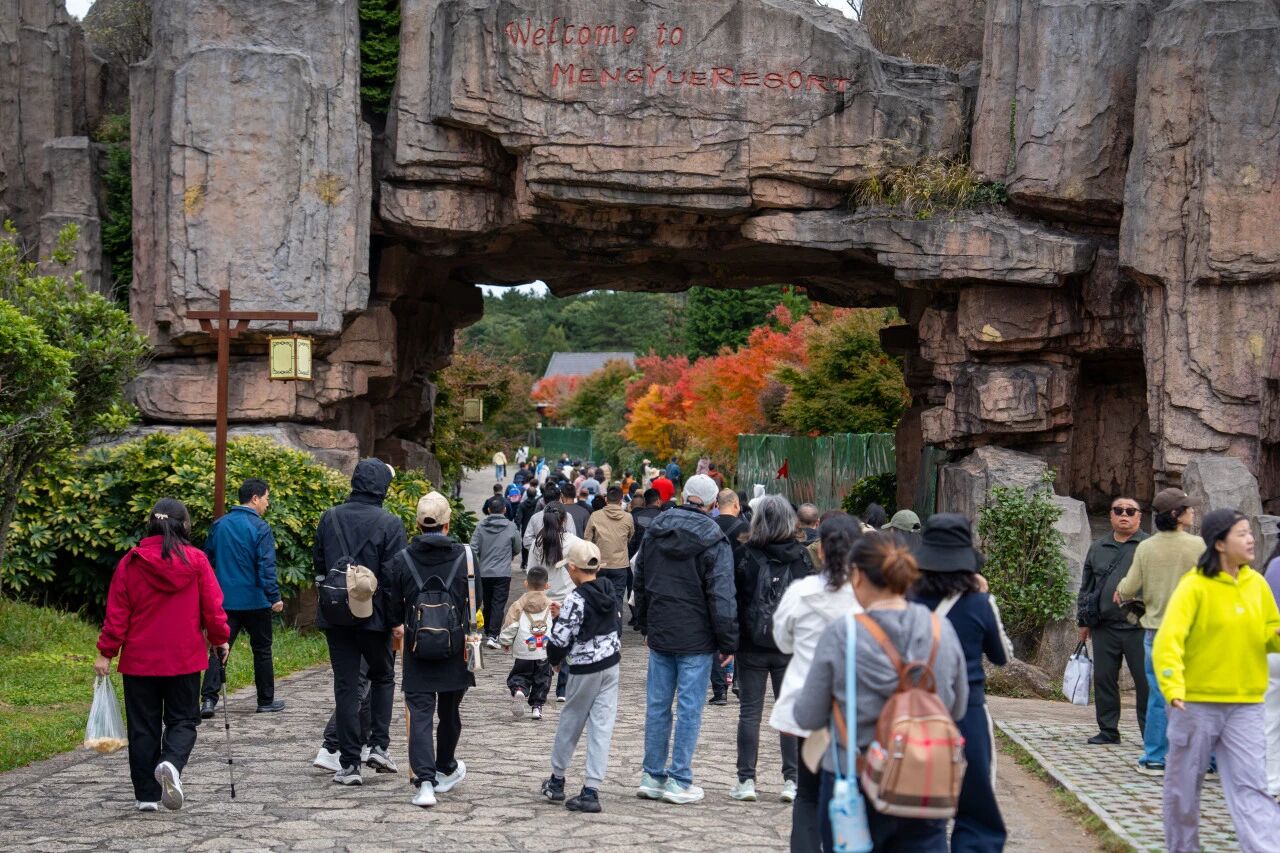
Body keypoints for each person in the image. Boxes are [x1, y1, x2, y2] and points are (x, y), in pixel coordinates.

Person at [793, 532, 968, 852]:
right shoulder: (941, 629)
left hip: (854, 781)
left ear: (857, 575)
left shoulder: (842, 634)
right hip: (924, 782)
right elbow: (956, 709)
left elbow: (807, 714)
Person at [1154, 509, 1280, 852]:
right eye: (1241, 533)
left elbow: (1270, 631)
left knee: (1252, 786)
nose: (1251, 539)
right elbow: (1169, 640)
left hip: (1246, 703)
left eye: (1250, 532)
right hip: (1194, 702)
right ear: (1220, 543)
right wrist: (1172, 687)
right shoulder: (1194, 585)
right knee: (1183, 790)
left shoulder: (1257, 583)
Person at [94, 498, 231, 812]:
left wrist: (106, 652)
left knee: (143, 726)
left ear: (151, 523)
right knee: (183, 720)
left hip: (140, 661)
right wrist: (220, 639)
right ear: (184, 525)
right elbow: (213, 608)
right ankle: (170, 762)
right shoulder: (196, 561)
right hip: (184, 659)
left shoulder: (131, 562)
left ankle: (146, 795)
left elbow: (117, 614)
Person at [909, 513, 1012, 853]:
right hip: (967, 712)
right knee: (976, 804)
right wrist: (986, 600)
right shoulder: (981, 603)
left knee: (914, 799)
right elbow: (1002, 657)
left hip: (914, 713)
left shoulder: (905, 601)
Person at [634, 473, 737, 805]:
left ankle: (652, 775)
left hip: (662, 628)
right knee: (690, 708)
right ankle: (679, 779)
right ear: (710, 504)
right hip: (698, 635)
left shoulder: (656, 530)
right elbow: (722, 594)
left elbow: (641, 579)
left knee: (658, 705)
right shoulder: (715, 538)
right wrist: (728, 641)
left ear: (684, 494)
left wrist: (645, 625)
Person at [771, 513, 862, 852]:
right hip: (856, 708)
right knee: (850, 792)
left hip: (809, 706)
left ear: (820, 550)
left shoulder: (802, 591)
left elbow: (782, 640)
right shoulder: (869, 597)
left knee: (808, 794)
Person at [313, 459, 406, 784]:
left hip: (335, 615)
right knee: (382, 677)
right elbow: (394, 577)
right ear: (382, 486)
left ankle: (349, 764)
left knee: (346, 686)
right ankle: (378, 745)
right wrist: (396, 620)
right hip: (375, 617)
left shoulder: (330, 517)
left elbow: (320, 566)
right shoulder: (390, 523)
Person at [386, 492, 475, 808]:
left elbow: (392, 606)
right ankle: (446, 767)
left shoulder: (401, 559)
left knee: (420, 714)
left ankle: (425, 783)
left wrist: (399, 625)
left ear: (417, 523)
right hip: (455, 646)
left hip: (416, 646)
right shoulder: (465, 556)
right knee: (450, 711)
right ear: (447, 524)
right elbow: (476, 601)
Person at [1115, 487, 1204, 776]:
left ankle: (1155, 758)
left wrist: (1121, 591)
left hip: (1157, 632)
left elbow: (1128, 587)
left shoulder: (1146, 547)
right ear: (1177, 515)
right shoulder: (1199, 546)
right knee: (1200, 695)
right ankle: (1208, 761)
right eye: (1188, 508)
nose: (1192, 512)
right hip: (1193, 632)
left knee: (1158, 694)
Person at [730, 495, 812, 804]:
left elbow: (734, 601)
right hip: (789, 646)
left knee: (750, 712)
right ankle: (792, 781)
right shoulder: (802, 558)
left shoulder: (745, 555)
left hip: (752, 644)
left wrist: (730, 640)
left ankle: (746, 780)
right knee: (790, 712)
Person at [541, 540, 623, 813]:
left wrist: (554, 661)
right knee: (602, 726)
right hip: (611, 666)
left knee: (571, 722)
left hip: (585, 670)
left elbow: (558, 640)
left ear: (573, 568)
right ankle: (591, 789)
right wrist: (562, 613)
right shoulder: (609, 590)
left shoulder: (575, 599)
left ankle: (557, 781)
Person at [199, 478, 284, 718]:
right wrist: (274, 596)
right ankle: (265, 700)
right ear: (255, 498)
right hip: (256, 600)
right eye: (266, 498)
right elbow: (266, 566)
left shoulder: (220, 525)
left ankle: (208, 700)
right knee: (263, 649)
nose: (267, 504)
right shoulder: (260, 528)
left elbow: (208, 561)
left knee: (219, 649)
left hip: (225, 600)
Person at [1078, 495, 1149, 745]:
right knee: (1104, 679)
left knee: (1145, 682)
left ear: (1139, 516)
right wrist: (1083, 622)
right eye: (1118, 510)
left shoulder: (1148, 546)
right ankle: (1108, 730)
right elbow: (1087, 587)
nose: (1124, 515)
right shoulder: (1098, 547)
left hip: (1138, 626)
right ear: (1110, 515)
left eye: (1131, 511)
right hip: (1105, 626)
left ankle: (1149, 734)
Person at [530, 501, 580, 701]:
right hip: (568, 601)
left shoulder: (537, 543)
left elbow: (532, 573)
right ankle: (563, 689)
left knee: (543, 645)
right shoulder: (574, 542)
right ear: (564, 519)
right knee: (569, 645)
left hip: (544, 602)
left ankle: (541, 686)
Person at [499, 565, 554, 720]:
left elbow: (511, 625)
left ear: (525, 583)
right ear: (547, 585)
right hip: (543, 649)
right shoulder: (551, 605)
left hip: (524, 649)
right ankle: (537, 707)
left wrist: (505, 641)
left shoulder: (518, 605)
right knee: (542, 678)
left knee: (521, 673)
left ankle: (519, 690)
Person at [473, 495, 521, 649]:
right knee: (498, 604)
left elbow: (473, 548)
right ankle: (493, 635)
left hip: (484, 571)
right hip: (503, 572)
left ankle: (488, 630)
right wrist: (510, 554)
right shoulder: (511, 527)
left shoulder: (480, 526)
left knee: (487, 602)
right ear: (505, 509)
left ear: (488, 510)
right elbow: (517, 546)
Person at [584, 485, 634, 621]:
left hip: (599, 564)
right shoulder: (628, 517)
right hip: (620, 565)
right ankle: (615, 632)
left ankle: (599, 630)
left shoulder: (595, 516)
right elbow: (630, 537)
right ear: (621, 499)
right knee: (617, 599)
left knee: (597, 597)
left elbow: (587, 540)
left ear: (606, 499)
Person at [629, 488, 663, 557]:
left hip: (638, 558)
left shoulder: (635, 517)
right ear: (658, 501)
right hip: (659, 559)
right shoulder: (665, 517)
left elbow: (631, 543)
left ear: (645, 502)